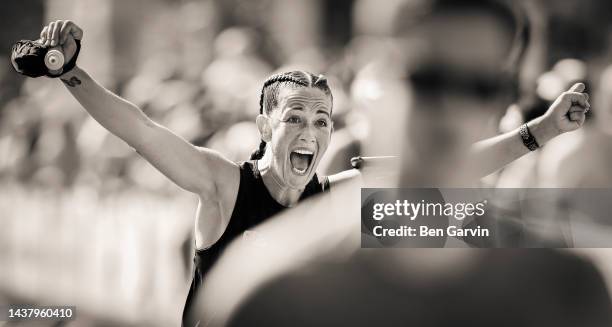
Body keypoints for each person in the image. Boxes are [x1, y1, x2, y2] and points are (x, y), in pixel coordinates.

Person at [27, 12, 588, 325]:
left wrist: (543, 131)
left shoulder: (340, 196)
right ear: (266, 125)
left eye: (323, 122)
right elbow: (142, 130)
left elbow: (445, 167)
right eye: (296, 118)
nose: (312, 133)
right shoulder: (223, 185)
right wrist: (71, 74)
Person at [196, 0, 608, 326]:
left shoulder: (567, 288)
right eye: (429, 81)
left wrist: (541, 130)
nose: (452, 109)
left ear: (503, 100)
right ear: (379, 83)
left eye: (479, 87)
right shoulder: (275, 292)